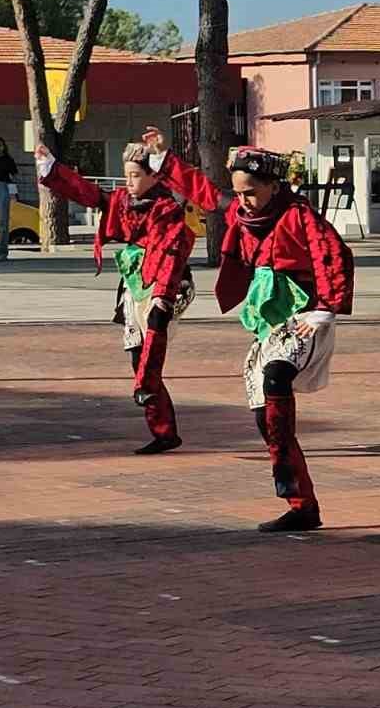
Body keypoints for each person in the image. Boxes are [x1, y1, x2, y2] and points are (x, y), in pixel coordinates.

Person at [149, 128, 354, 533]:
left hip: (303, 317)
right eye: (239, 192)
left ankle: (290, 479)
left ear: (273, 186)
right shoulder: (239, 215)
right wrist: (164, 160)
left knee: (277, 377)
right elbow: (205, 194)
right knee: (264, 417)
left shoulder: (298, 216)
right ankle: (302, 504)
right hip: (268, 324)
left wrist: (326, 310)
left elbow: (332, 254)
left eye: (251, 193)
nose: (243, 200)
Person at [36, 142, 197, 454]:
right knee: (138, 355)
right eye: (126, 175)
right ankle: (163, 429)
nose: (128, 182)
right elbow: (90, 193)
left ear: (155, 177)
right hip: (136, 280)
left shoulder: (169, 210)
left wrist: (163, 297)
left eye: (135, 175)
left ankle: (148, 393)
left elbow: (173, 255)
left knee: (154, 331)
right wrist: (53, 169)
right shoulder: (124, 200)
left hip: (168, 279)